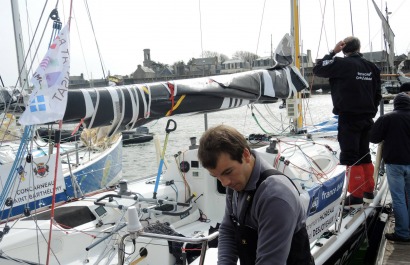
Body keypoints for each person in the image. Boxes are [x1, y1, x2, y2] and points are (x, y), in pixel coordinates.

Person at [197, 125, 313, 265]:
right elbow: (228, 229)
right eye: (217, 176)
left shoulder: (275, 197)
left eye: (228, 172)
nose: (224, 183)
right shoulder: (235, 182)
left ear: (245, 155)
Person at [313, 36, 382, 205]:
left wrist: (332, 52)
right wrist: (371, 110)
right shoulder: (372, 67)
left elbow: (318, 69)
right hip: (367, 118)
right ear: (359, 48)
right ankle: (368, 190)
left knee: (351, 157)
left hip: (349, 118)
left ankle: (357, 195)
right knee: (364, 154)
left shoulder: (341, 64)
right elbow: (378, 94)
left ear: (344, 48)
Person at [370, 91, 410, 243]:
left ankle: (403, 233)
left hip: (395, 163)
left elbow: (373, 138)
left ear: (395, 104)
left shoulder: (387, 118)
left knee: (399, 199)